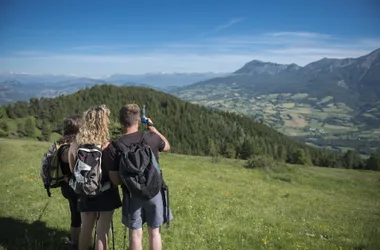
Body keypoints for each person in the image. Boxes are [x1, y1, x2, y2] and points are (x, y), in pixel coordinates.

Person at [106, 104, 172, 250]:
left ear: (121, 122)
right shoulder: (151, 138)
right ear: (138, 121)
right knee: (155, 232)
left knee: (135, 234)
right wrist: (152, 128)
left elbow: (115, 180)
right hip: (154, 190)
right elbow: (167, 146)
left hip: (131, 193)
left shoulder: (114, 146)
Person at [68, 105, 122, 250]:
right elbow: (112, 171)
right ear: (103, 123)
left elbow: (72, 168)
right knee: (102, 231)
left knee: (86, 228)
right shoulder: (107, 145)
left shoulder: (76, 143)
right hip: (105, 191)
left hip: (84, 190)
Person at [41, 115, 83, 249]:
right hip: (76, 186)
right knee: (80, 216)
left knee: (75, 215)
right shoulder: (73, 146)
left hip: (65, 186)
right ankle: (79, 243)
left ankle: (75, 242)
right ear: (78, 128)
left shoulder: (60, 144)